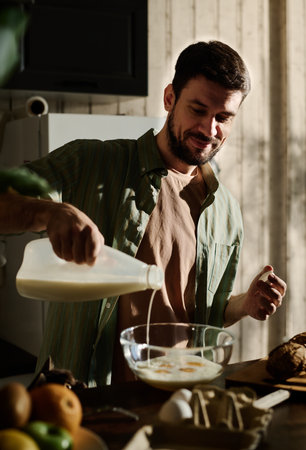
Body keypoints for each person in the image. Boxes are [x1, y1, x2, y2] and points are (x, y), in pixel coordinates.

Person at [0, 41, 286, 386]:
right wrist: (49, 212)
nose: (210, 130)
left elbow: (199, 313)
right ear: (169, 99)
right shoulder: (92, 163)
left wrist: (244, 305)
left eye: (223, 117)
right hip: (83, 396)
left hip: (175, 394)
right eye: (198, 109)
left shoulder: (225, 210)